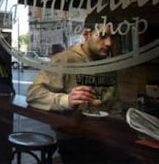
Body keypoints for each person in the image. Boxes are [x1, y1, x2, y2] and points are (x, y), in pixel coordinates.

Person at [26, 16, 131, 164]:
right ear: (87, 35)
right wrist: (66, 100)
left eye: (113, 36)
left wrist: (119, 132)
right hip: (75, 139)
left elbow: (115, 106)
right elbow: (33, 94)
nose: (109, 43)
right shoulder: (65, 60)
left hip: (106, 138)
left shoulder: (108, 65)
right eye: (102, 36)